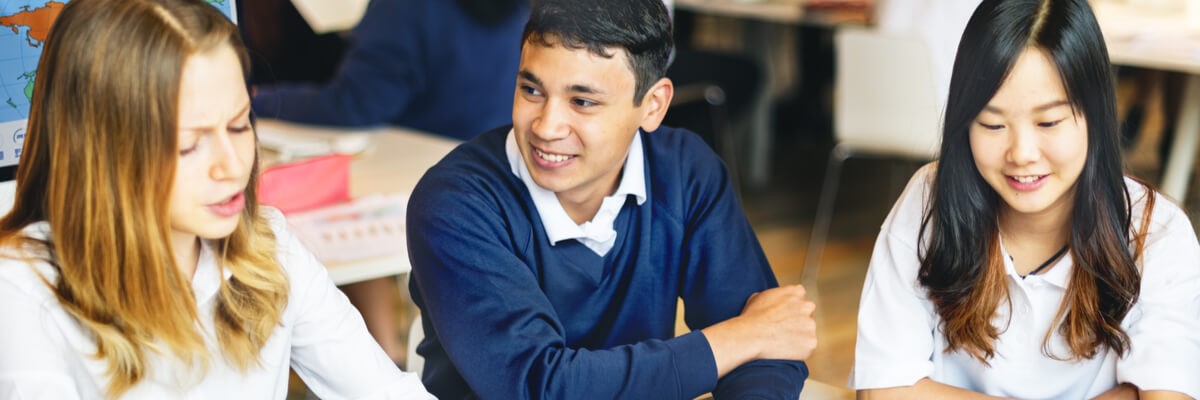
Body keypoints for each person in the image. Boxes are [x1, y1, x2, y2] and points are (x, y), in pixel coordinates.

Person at [0, 0, 434, 398]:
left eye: (240, 125)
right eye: (190, 145)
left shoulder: (270, 249)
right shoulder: (25, 288)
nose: (231, 166)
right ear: (103, 151)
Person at [406, 0, 816, 398]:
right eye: (532, 90)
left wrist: (753, 342)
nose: (547, 127)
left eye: (582, 102)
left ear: (653, 106)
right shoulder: (455, 203)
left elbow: (773, 346)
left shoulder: (685, 172)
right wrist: (741, 336)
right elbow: (540, 387)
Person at [852, 0, 1200, 398]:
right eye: (993, 124)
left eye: (1048, 122)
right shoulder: (929, 200)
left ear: (1096, 113)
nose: (1022, 153)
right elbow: (884, 390)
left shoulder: (1155, 231)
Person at [251, 0, 529, 140]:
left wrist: (257, 99)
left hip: (422, 171)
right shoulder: (520, 8)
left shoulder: (405, 7)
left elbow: (357, 105)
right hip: (494, 159)